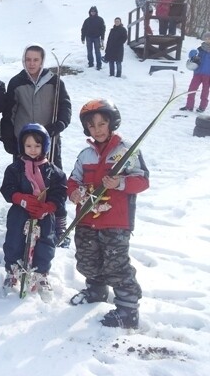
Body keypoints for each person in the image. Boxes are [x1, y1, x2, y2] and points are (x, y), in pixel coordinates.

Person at [67, 99, 149, 329]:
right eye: (92, 126)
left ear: (111, 122)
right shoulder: (85, 154)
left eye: (102, 124)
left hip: (116, 221)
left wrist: (120, 182)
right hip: (86, 219)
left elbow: (142, 180)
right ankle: (96, 290)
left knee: (116, 264)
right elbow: (73, 180)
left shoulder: (126, 151)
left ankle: (128, 308)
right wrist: (74, 193)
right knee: (87, 259)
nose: (98, 129)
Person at [0, 44, 71, 243]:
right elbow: (8, 113)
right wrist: (8, 138)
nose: (31, 63)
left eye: (35, 60)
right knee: (24, 183)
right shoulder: (17, 82)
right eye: (28, 59)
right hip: (23, 143)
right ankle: (25, 223)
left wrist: (60, 123)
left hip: (49, 140)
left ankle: (58, 224)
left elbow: (65, 105)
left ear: (42, 61)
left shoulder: (54, 81)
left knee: (55, 182)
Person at [0, 124, 67, 301]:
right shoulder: (15, 169)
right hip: (20, 211)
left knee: (46, 241)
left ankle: (41, 273)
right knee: (14, 238)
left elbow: (60, 193)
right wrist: (20, 198)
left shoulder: (54, 172)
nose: (32, 150)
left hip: (44, 214)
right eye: (28, 146)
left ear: (44, 146)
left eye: (37, 146)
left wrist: (50, 206)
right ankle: (13, 269)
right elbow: (7, 189)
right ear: (22, 146)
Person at [180, 31, 210, 113]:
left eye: (209, 38)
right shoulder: (200, 49)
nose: (207, 40)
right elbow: (192, 56)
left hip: (208, 75)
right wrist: (192, 54)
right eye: (206, 38)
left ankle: (202, 107)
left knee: (205, 91)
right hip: (197, 73)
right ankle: (189, 106)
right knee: (191, 89)